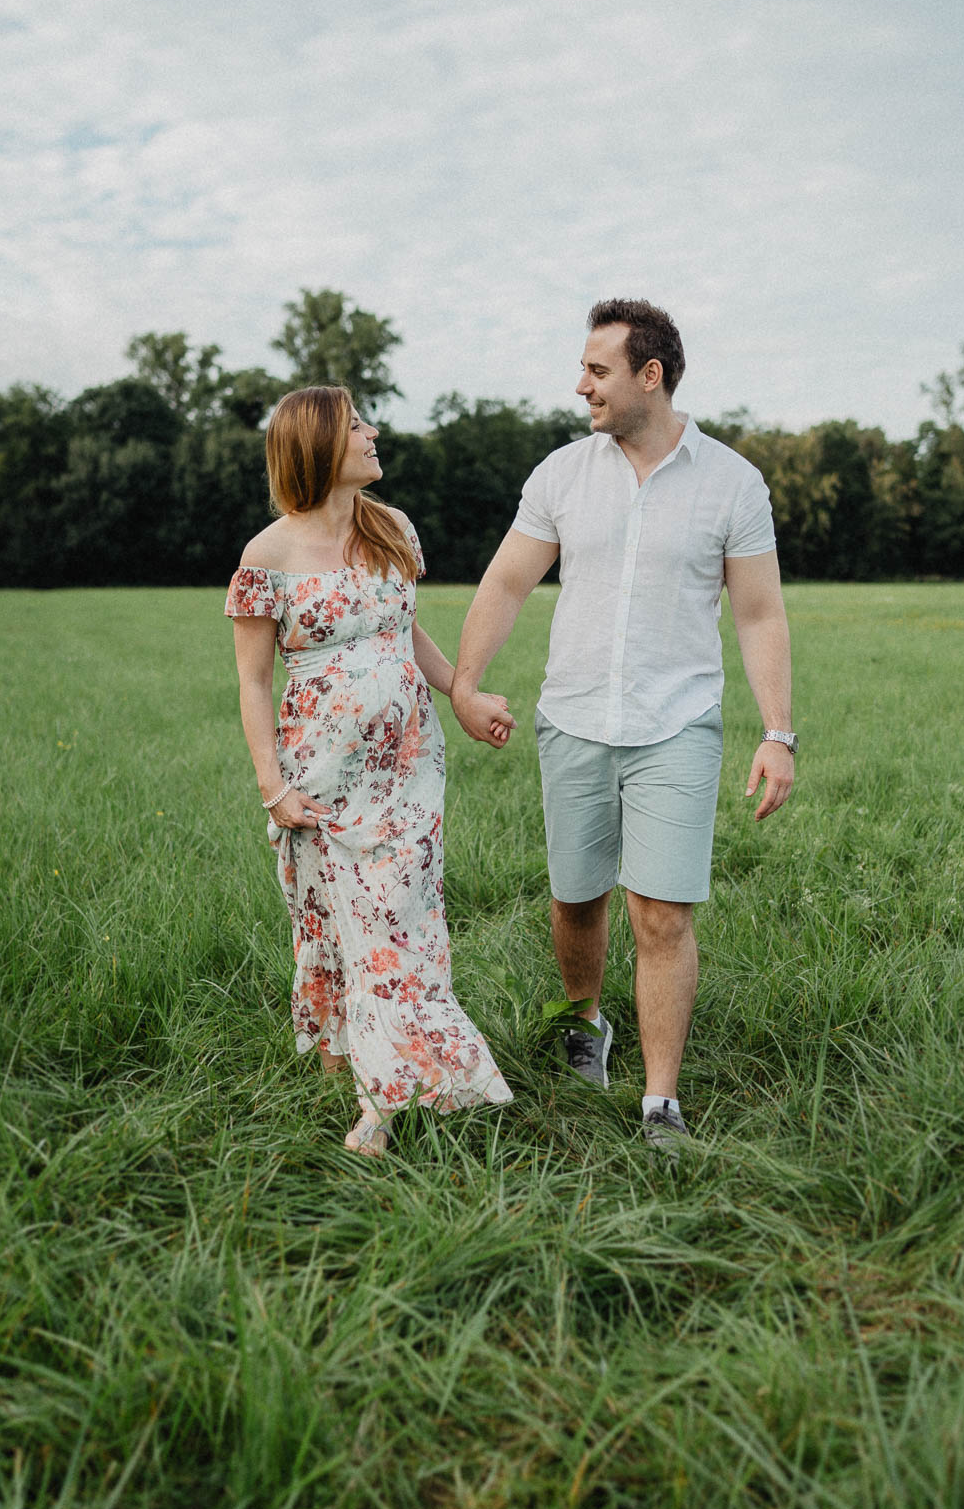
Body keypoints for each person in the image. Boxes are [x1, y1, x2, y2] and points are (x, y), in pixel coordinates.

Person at [451, 299, 796, 1152]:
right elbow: (506, 583)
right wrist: (466, 684)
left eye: (597, 370)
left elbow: (758, 613)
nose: (581, 386)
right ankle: (585, 1022)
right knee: (576, 900)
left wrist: (777, 732)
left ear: (651, 375)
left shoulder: (732, 483)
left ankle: (660, 1102)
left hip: (677, 725)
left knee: (662, 916)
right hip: (572, 719)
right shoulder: (562, 475)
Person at [226, 385, 514, 1157]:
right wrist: (273, 788)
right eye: (357, 425)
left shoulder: (392, 529)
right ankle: (345, 1060)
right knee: (329, 919)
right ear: (319, 444)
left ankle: (381, 1103)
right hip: (319, 774)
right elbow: (253, 683)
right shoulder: (266, 556)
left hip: (408, 766)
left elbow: (407, 631)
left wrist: (462, 695)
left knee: (399, 920)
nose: (373, 432)